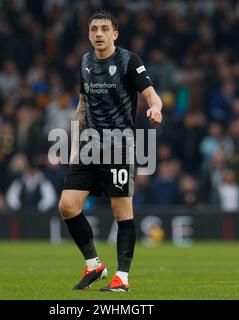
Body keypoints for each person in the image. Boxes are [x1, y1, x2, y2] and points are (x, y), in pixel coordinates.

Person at [58, 11, 162, 292]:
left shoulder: (130, 61)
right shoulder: (85, 62)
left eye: (105, 28)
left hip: (118, 147)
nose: (99, 33)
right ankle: (94, 265)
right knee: (67, 205)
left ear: (115, 34)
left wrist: (155, 108)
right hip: (89, 148)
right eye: (94, 29)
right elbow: (82, 106)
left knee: (121, 210)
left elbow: (152, 95)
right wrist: (75, 144)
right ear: (89, 34)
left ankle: (123, 278)